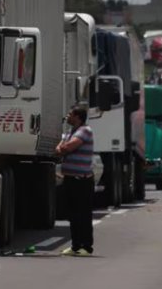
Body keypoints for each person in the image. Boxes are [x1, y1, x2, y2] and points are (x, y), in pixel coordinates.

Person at [56, 106, 94, 257]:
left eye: (70, 114)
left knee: (83, 214)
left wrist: (62, 148)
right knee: (72, 214)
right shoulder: (70, 133)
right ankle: (75, 245)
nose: (67, 117)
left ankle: (87, 246)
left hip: (82, 180)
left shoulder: (85, 131)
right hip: (70, 178)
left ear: (78, 117)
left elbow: (66, 148)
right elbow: (59, 147)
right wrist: (62, 147)